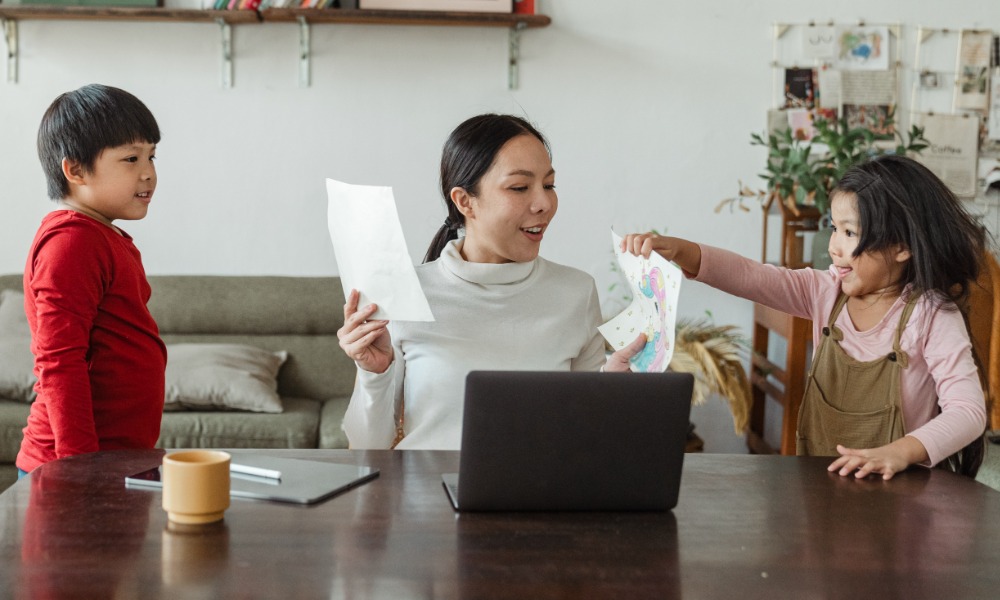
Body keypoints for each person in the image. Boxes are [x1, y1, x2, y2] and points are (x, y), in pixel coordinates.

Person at [622, 154, 988, 480]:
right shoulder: (824, 293)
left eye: (850, 232)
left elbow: (968, 411)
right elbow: (753, 276)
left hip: (903, 502)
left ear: (901, 246)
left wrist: (900, 452)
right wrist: (685, 251)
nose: (834, 246)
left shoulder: (932, 315)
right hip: (822, 490)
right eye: (834, 228)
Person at [338, 114, 645, 450]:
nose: (544, 203)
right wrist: (374, 373)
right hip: (426, 496)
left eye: (549, 185)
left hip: (538, 496)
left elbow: (587, 437)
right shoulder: (403, 294)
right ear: (464, 201)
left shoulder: (575, 291)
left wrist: (615, 392)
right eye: (519, 187)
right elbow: (367, 448)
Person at [15, 84, 167, 478]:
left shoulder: (101, 236)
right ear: (76, 170)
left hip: (116, 458)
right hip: (76, 467)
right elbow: (59, 361)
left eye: (151, 155)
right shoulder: (72, 242)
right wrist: (79, 467)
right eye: (130, 158)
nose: (148, 172)